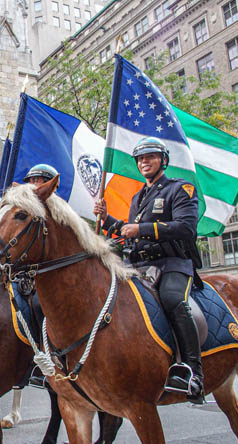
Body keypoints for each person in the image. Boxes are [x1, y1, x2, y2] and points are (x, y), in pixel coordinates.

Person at [93, 136, 203, 403]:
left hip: (172, 263)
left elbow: (186, 228)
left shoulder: (181, 189)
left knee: (173, 300)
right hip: (138, 266)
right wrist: (106, 219)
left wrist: (141, 228)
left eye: (150, 157)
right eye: (140, 158)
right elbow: (129, 232)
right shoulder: (138, 197)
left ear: (163, 160)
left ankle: (193, 372)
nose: (144, 162)